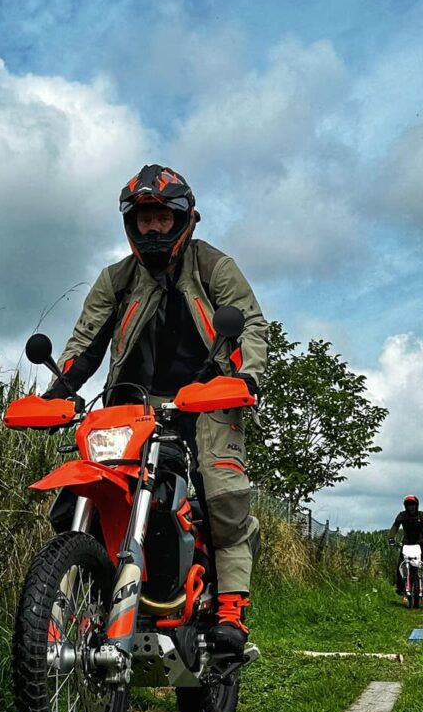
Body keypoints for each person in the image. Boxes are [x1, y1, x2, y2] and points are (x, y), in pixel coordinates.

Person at [44, 164, 268, 654]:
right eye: (143, 218)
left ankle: (230, 605)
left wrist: (244, 376)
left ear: (183, 218)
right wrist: (60, 388)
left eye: (162, 217)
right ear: (131, 223)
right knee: (83, 485)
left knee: (221, 488)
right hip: (132, 403)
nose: (152, 228)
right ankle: (85, 597)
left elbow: (250, 324)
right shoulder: (116, 279)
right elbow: (86, 340)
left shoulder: (214, 268)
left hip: (209, 397)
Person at [389, 494, 423, 602]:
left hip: (421, 544)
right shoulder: (402, 515)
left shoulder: (422, 516)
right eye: (408, 504)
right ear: (405, 506)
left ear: (417, 505)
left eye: (413, 504)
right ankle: (400, 587)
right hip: (406, 544)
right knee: (400, 566)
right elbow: (395, 526)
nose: (411, 507)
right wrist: (391, 538)